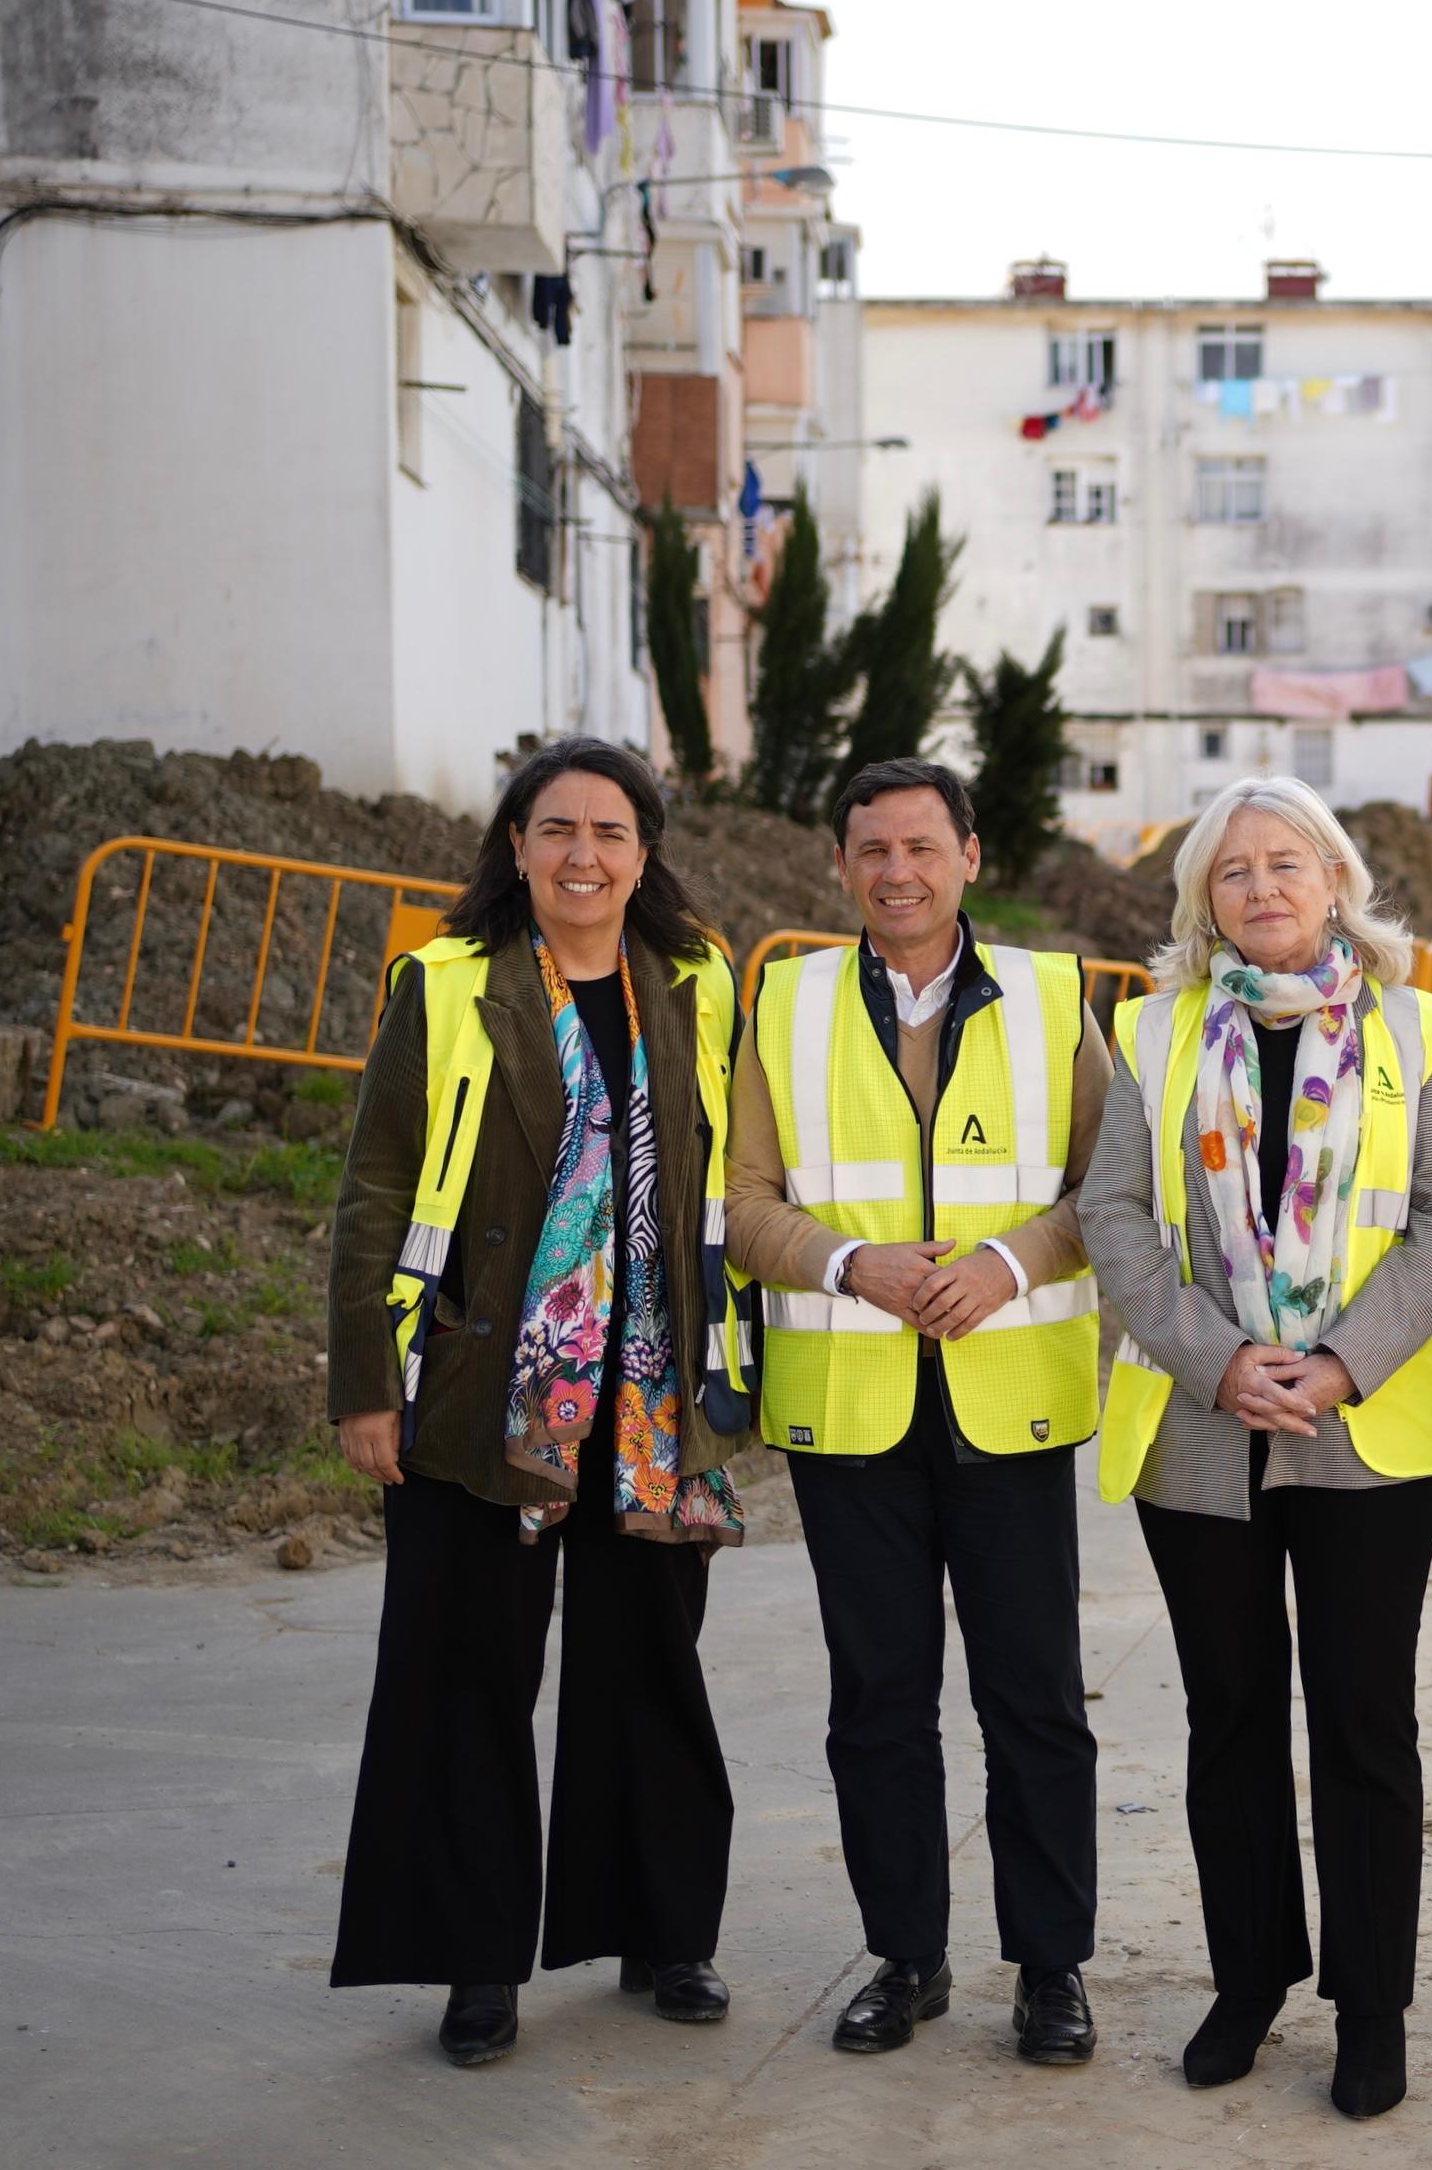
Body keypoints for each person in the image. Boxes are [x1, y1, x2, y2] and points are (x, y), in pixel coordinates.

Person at [325, 737, 755, 2066]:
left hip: (649, 1395)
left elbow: (731, 1175)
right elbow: (376, 1188)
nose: (583, 854)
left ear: (644, 853)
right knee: (468, 1675)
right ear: (514, 848)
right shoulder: (448, 983)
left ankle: (661, 1931)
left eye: (609, 832)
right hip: (480, 1388)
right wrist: (366, 1383)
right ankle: (476, 1961)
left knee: (647, 1670)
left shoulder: (697, 982)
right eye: (555, 828)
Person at [1083, 778, 1432, 2120]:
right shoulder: (1153, 1032)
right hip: (1203, 1430)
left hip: (1365, 1430)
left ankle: (1372, 2010)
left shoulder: (1414, 1026)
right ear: (1203, 898)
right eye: (1233, 870)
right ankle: (1247, 1980)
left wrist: (1344, 1359)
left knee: (1365, 1722)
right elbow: (1115, 1214)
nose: (1261, 887)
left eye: (1285, 864)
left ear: (1335, 880)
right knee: (1231, 1718)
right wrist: (1218, 1359)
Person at [727, 758, 1109, 2065]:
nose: (898, 871)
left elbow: (1108, 1188)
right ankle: (906, 1958)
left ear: (969, 857)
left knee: (1034, 1701)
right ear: (839, 865)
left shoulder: (1054, 998)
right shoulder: (785, 1002)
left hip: (1012, 1406)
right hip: (851, 1413)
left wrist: (1007, 1263)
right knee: (879, 1702)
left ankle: (1051, 1968)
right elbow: (744, 1201)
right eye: (873, 850)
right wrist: (851, 1265)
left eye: (921, 846)